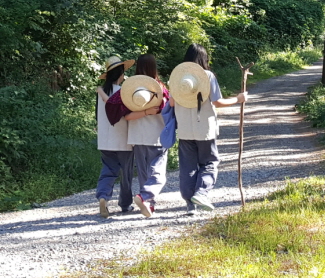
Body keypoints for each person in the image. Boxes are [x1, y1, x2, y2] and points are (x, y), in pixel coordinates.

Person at [169, 43, 247, 215]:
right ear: (203, 59)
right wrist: (238, 99)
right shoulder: (207, 76)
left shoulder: (178, 77)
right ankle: (202, 193)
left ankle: (190, 205)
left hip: (185, 129)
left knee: (187, 167)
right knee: (209, 162)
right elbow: (217, 102)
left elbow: (172, 103)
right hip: (205, 128)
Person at [97, 54, 169, 219]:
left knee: (114, 171)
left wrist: (100, 91)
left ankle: (103, 196)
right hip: (137, 138)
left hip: (128, 137)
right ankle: (136, 201)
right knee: (133, 173)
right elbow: (167, 108)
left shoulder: (129, 90)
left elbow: (117, 109)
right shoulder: (157, 88)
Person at [95, 55, 135, 218]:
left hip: (105, 139)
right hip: (123, 138)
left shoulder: (101, 92)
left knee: (108, 170)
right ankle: (125, 204)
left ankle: (103, 196)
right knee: (126, 173)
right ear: (121, 74)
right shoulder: (124, 92)